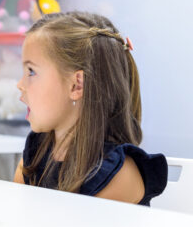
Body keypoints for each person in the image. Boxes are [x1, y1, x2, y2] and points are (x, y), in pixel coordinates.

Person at [13, 12, 167, 206]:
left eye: (31, 71)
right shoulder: (36, 153)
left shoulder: (119, 174)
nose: (20, 84)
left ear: (76, 85)